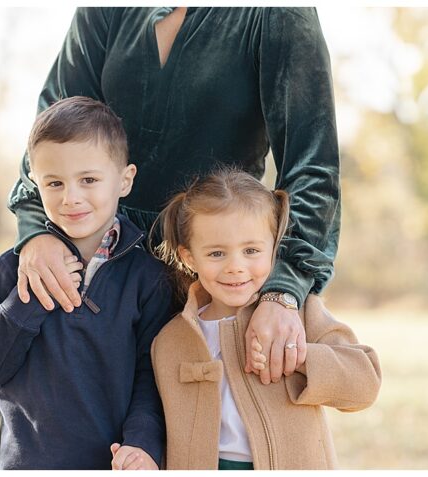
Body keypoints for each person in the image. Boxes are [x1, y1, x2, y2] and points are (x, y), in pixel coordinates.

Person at [6, 7, 341, 385]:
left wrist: (283, 291)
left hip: (212, 275)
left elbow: (314, 165)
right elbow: (52, 128)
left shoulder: (276, 13)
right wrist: (38, 230)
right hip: (102, 267)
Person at [0, 97, 169, 470]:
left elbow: (151, 377)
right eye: (54, 183)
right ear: (35, 184)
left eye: (88, 180)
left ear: (125, 180)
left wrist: (142, 445)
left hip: (113, 465)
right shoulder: (13, 269)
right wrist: (29, 300)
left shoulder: (147, 277)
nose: (70, 198)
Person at [149, 168, 380, 469]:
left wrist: (298, 357)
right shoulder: (169, 341)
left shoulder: (299, 314)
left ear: (274, 249)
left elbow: (364, 385)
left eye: (251, 250)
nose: (236, 267)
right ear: (190, 257)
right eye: (217, 253)